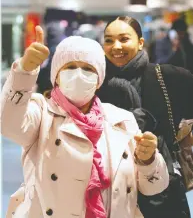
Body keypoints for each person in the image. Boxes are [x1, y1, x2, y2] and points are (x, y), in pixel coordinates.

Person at [0, 26, 169, 218]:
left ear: (99, 79)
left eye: (88, 68)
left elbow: (154, 187)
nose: (79, 74)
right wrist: (24, 72)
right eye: (70, 67)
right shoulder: (41, 112)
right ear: (57, 76)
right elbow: (8, 123)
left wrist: (148, 160)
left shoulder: (121, 119)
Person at [97, 16, 193, 218]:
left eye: (124, 39)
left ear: (140, 42)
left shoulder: (168, 77)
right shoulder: (95, 84)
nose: (116, 47)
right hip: (109, 194)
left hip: (163, 194)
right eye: (108, 40)